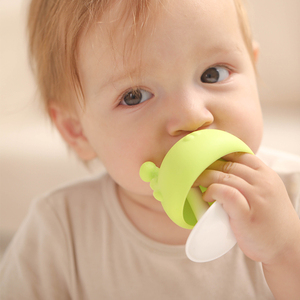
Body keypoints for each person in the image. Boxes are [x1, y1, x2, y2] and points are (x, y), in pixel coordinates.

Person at [1, 0, 300, 299]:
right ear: (76, 130)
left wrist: (285, 251)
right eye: (135, 96)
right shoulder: (60, 234)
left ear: (253, 65)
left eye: (213, 74)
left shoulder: (292, 196)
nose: (192, 116)